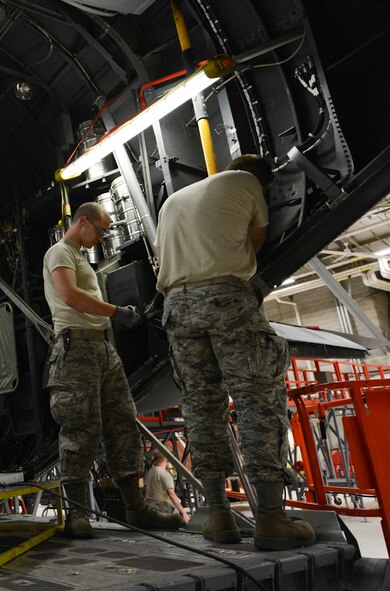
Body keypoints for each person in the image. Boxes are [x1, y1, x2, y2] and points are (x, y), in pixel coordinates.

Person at [156, 154, 315, 550]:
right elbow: (255, 241)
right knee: (256, 400)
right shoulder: (246, 182)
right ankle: (272, 518)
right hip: (226, 298)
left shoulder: (172, 202)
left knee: (200, 407)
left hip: (177, 307)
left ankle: (219, 516)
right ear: (259, 180)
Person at [43, 202, 184, 538]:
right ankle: (76, 512)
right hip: (75, 348)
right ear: (83, 220)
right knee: (81, 429)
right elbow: (70, 295)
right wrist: (117, 311)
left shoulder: (80, 256)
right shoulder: (60, 252)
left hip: (103, 349)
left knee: (123, 424)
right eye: (101, 230)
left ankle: (136, 507)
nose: (102, 237)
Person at [144, 451, 191, 524]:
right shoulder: (165, 474)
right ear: (167, 459)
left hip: (149, 506)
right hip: (162, 508)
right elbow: (171, 494)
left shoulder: (150, 472)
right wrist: (184, 513)